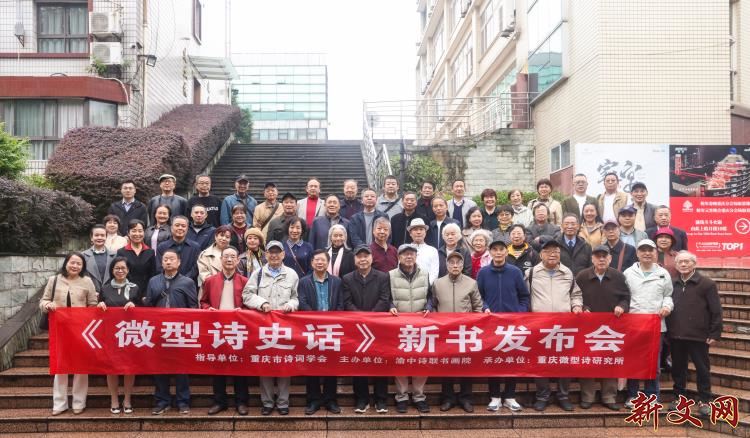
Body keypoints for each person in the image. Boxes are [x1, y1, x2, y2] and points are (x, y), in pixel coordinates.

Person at [243, 240, 299, 415]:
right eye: (271, 252)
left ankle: (283, 403)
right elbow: (247, 295)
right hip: (264, 326)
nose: (274, 255)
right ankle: (267, 402)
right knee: (265, 364)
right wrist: (261, 303)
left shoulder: (292, 274)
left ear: (283, 254)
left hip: (285, 326)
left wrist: (291, 305)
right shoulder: (258, 273)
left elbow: (296, 297)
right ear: (266, 254)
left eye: (277, 252)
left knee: (284, 365)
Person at [527, 238, 583, 412]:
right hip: (539, 326)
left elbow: (576, 294)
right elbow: (524, 296)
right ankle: (542, 396)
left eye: (556, 252)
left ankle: (563, 395)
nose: (552, 254)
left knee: (564, 362)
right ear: (541, 254)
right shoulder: (531, 273)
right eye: (548, 251)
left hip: (563, 326)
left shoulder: (567, 273)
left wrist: (576, 305)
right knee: (540, 361)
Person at [40, 253, 97, 416]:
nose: (75, 266)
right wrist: (47, 305)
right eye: (72, 262)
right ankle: (60, 403)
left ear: (83, 266)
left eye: (79, 264)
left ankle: (79, 402)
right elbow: (43, 301)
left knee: (81, 366)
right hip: (60, 329)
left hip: (81, 330)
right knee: (61, 366)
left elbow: (92, 304)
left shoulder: (87, 281)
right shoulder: (54, 280)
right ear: (66, 263)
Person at [667, 251, 722, 416]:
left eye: (687, 262)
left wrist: (714, 333)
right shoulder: (672, 283)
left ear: (694, 264)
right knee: (678, 368)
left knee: (702, 368)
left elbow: (716, 310)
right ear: (676, 265)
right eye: (680, 262)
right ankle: (679, 397)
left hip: (699, 335)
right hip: (676, 334)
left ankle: (705, 399)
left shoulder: (707, 284)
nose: (684, 264)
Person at [576, 245, 630, 411]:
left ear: (610, 259)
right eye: (597, 256)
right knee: (587, 362)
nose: (601, 259)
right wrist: (583, 307)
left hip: (612, 327)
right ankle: (587, 396)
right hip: (587, 327)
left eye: (604, 256)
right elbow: (575, 296)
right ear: (592, 259)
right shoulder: (582, 276)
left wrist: (622, 306)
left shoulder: (618, 276)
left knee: (610, 361)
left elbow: (626, 298)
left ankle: (609, 396)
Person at [144, 249, 198, 415]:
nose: (168, 262)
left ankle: (183, 401)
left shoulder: (187, 282)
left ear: (179, 262)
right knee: (160, 367)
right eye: (165, 259)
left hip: (180, 331)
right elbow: (148, 306)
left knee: (181, 368)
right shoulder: (153, 281)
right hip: (159, 331)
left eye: (172, 259)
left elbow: (193, 307)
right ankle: (162, 401)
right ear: (161, 262)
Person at [477, 240, 528, 412]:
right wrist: (484, 307)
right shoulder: (483, 273)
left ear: (506, 252)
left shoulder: (515, 272)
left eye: (501, 249)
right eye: (495, 250)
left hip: (512, 324)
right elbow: (478, 296)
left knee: (511, 359)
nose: (498, 252)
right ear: (490, 252)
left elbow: (524, 296)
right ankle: (495, 397)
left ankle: (510, 396)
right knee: (493, 360)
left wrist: (519, 313)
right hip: (491, 324)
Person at [200, 246, 250, 416]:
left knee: (240, 367)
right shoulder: (210, 281)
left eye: (232, 257)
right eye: (226, 256)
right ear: (221, 260)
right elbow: (203, 301)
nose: (229, 260)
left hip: (238, 329)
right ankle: (219, 401)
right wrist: (207, 309)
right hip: (217, 329)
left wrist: (242, 310)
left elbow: (250, 303)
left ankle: (241, 402)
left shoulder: (245, 281)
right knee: (218, 366)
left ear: (238, 260)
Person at [342, 245, 392, 413]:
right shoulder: (347, 278)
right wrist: (360, 317)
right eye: (359, 256)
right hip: (357, 327)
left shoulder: (383, 277)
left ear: (372, 258)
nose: (363, 259)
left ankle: (381, 399)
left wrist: (371, 317)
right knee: (359, 363)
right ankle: (361, 399)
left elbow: (385, 299)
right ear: (354, 259)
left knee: (380, 362)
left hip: (378, 326)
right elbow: (347, 302)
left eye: (366, 256)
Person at [624, 239, 674, 407]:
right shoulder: (628, 273)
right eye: (643, 250)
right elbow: (624, 296)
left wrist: (667, 307)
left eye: (650, 250)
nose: (647, 253)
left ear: (655, 253)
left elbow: (668, 295)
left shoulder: (663, 273)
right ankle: (633, 395)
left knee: (653, 362)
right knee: (633, 361)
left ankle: (652, 396)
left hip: (655, 325)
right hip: (634, 324)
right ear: (637, 253)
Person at [433, 251, 483, 412]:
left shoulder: (471, 283)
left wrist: (474, 326)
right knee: (446, 366)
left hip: (465, 332)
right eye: (451, 263)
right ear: (446, 265)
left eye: (458, 263)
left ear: (462, 266)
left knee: (466, 365)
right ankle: (448, 398)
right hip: (445, 332)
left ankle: (466, 398)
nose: (455, 266)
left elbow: (478, 307)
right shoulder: (437, 283)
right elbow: (433, 305)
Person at [298, 249, 344, 415]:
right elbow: (302, 302)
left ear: (328, 262)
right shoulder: (304, 282)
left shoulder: (337, 281)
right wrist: (316, 320)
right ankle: (314, 400)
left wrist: (332, 320)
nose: (319, 262)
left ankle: (331, 400)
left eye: (323, 260)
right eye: (316, 260)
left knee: (331, 365)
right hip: (311, 329)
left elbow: (340, 304)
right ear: (312, 263)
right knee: (312, 364)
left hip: (331, 329)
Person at [388, 244, 431, 414]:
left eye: (412, 254)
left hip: (421, 324)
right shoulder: (391, 275)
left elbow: (430, 296)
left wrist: (429, 306)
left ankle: (419, 396)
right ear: (399, 257)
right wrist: (391, 306)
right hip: (399, 325)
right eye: (405, 254)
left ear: (416, 256)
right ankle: (402, 397)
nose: (409, 257)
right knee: (401, 361)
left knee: (421, 361)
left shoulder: (425, 273)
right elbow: (387, 296)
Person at [96, 256, 139, 414]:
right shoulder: (105, 288)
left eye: (123, 268)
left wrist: (135, 305)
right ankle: (114, 399)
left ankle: (127, 399)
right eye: (117, 268)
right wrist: (99, 304)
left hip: (130, 333)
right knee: (111, 368)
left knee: (129, 368)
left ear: (128, 270)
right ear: (112, 270)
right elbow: (98, 308)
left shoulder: (135, 288)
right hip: (110, 334)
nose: (120, 271)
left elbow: (144, 308)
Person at [117, 219, 156, 298]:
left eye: (140, 231)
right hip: (126, 293)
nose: (137, 234)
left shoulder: (150, 252)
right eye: (134, 231)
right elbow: (119, 274)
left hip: (146, 293)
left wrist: (147, 294)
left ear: (144, 232)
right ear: (128, 233)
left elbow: (153, 274)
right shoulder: (121, 252)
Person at [156, 216, 200, 282]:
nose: (180, 228)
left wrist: (183, 280)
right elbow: (159, 267)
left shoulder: (195, 247)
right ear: (171, 228)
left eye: (183, 226)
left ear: (187, 229)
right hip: (166, 283)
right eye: (177, 225)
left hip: (188, 283)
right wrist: (171, 278)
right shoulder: (162, 247)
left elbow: (196, 267)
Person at [82, 224, 116, 293]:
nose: (99, 238)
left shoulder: (115, 255)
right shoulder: (83, 256)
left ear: (106, 237)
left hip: (111, 294)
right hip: (90, 294)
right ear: (91, 238)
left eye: (102, 235)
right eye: (96, 235)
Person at [408, 218, 439, 285]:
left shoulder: (432, 250)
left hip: (427, 287)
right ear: (410, 233)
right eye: (415, 229)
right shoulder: (405, 250)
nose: (418, 232)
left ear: (425, 232)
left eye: (421, 229)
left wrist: (426, 286)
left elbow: (434, 273)